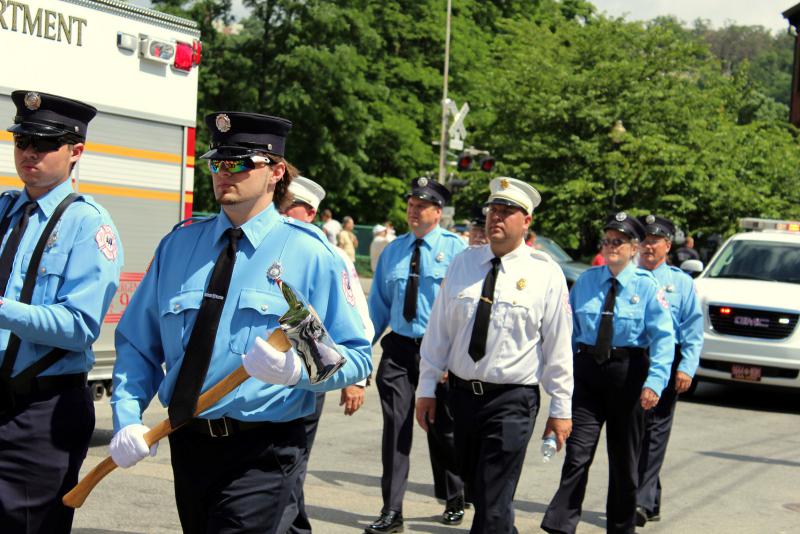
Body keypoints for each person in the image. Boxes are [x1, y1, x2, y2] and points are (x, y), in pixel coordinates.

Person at [108, 111, 371, 533]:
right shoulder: (180, 246)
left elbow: (355, 357)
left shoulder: (308, 254)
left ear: (276, 172)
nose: (225, 173)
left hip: (263, 449)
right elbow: (139, 343)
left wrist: (298, 372)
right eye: (218, 161)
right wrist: (127, 415)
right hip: (187, 439)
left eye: (241, 163)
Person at [415, 177, 574, 533]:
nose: (496, 218)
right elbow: (439, 330)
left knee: (493, 497)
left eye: (507, 212)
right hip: (460, 398)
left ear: (527, 221)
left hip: (511, 401)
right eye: (493, 210)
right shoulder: (463, 264)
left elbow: (558, 347)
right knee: (481, 492)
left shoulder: (545, 273)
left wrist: (561, 409)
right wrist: (426, 387)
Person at [0, 90, 123, 533]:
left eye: (45, 143)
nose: (29, 152)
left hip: (41, 409)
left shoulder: (88, 224)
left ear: (75, 152)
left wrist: (3, 311)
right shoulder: (4, 210)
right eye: (21, 140)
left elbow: (80, 327)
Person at [541, 211, 675, 534]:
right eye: (608, 241)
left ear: (633, 248)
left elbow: (664, 338)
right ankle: (561, 525)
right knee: (577, 454)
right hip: (587, 375)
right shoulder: (587, 281)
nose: (612, 246)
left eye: (619, 242)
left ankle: (620, 527)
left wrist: (655, 382)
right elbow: (567, 333)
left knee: (624, 464)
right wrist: (559, 377)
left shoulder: (647, 287)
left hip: (628, 377)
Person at [366, 177, 466, 533]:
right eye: (410, 204)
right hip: (398, 351)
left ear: (437, 212)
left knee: (444, 431)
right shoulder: (393, 251)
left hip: (438, 352)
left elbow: (461, 310)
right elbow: (377, 307)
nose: (413, 210)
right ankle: (392, 511)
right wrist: (362, 352)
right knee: (395, 430)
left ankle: (455, 494)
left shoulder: (456, 251)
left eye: (422, 205)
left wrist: (451, 359)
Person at [278, 175, 374, 533]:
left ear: (311, 211)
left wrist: (356, 380)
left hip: (304, 379)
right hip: (256, 378)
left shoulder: (327, 255)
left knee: (290, 469)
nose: (282, 213)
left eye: (289, 208)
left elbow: (359, 324)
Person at [635, 215, 703, 527]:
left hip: (666, 360)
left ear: (667, 245)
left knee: (655, 433)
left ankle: (638, 500)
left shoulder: (681, 283)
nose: (648, 246)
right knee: (633, 432)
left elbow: (692, 329)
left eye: (655, 241)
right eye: (644, 240)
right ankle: (651, 498)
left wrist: (687, 367)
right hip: (630, 361)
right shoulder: (626, 276)